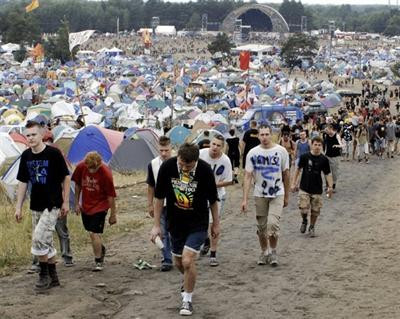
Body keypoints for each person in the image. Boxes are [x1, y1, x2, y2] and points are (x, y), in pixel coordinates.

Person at [150, 143, 219, 316]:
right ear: (178, 157)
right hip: (176, 223)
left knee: (188, 261)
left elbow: (213, 200)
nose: (184, 167)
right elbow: (159, 198)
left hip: (198, 222)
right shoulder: (167, 167)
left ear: (196, 161)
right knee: (179, 263)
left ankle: (187, 301)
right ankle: (188, 280)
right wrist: (156, 225)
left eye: (188, 166)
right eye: (181, 163)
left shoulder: (205, 170)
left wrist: (216, 224)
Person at [15, 120, 70, 290]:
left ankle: (43, 275)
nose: (30, 138)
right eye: (28, 135)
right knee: (47, 241)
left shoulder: (53, 153)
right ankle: (54, 278)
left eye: (33, 134)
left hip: (52, 204)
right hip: (35, 204)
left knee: (38, 238)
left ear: (41, 135)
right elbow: (23, 182)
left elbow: (66, 177)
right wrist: (18, 206)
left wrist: (66, 201)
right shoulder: (26, 156)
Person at [241, 125, 290, 267]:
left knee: (272, 224)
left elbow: (286, 174)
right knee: (261, 228)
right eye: (261, 135)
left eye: (267, 134)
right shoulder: (252, 153)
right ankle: (264, 251)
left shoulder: (281, 151)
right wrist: (245, 199)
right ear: (258, 136)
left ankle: (273, 250)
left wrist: (287, 195)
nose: (264, 137)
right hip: (260, 193)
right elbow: (248, 176)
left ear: (272, 134)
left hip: (277, 192)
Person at [71, 151, 117, 272]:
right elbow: (77, 185)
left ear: (98, 164)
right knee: (90, 232)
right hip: (86, 205)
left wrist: (113, 214)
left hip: (101, 205)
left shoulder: (106, 173)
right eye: (89, 168)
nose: (91, 171)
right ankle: (100, 249)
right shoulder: (81, 166)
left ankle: (98, 261)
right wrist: (76, 203)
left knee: (93, 232)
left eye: (93, 169)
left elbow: (111, 196)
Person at [199, 135, 233, 267]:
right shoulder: (200, 154)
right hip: (200, 195)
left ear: (222, 147)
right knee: (200, 223)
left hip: (217, 195)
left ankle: (213, 254)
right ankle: (205, 239)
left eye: (218, 145)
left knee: (214, 224)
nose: (215, 147)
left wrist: (213, 185)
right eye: (213, 144)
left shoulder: (225, 160)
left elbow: (229, 180)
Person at [291, 136, 333, 237]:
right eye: (315, 145)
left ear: (322, 146)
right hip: (304, 187)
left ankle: (312, 226)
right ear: (311, 145)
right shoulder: (305, 157)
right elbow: (298, 170)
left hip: (317, 188)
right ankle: (304, 220)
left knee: (315, 210)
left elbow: (327, 174)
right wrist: (293, 183)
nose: (317, 147)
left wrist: (330, 187)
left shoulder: (324, 159)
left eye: (319, 145)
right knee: (303, 208)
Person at [146, 136, 173, 271]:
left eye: (166, 150)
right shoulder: (153, 164)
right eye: (161, 150)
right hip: (160, 204)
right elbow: (151, 186)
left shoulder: (179, 162)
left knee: (174, 230)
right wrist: (150, 204)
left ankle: (175, 253)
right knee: (162, 231)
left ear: (171, 148)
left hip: (177, 203)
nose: (163, 153)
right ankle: (167, 259)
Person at [323, 124, 342, 191]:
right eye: (325, 130)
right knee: (326, 171)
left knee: (334, 172)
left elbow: (341, 145)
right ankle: (327, 185)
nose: (326, 132)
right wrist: (324, 154)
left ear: (331, 128)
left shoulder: (337, 136)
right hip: (327, 155)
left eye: (327, 130)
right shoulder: (326, 136)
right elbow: (325, 146)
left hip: (335, 157)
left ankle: (333, 185)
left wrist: (336, 146)